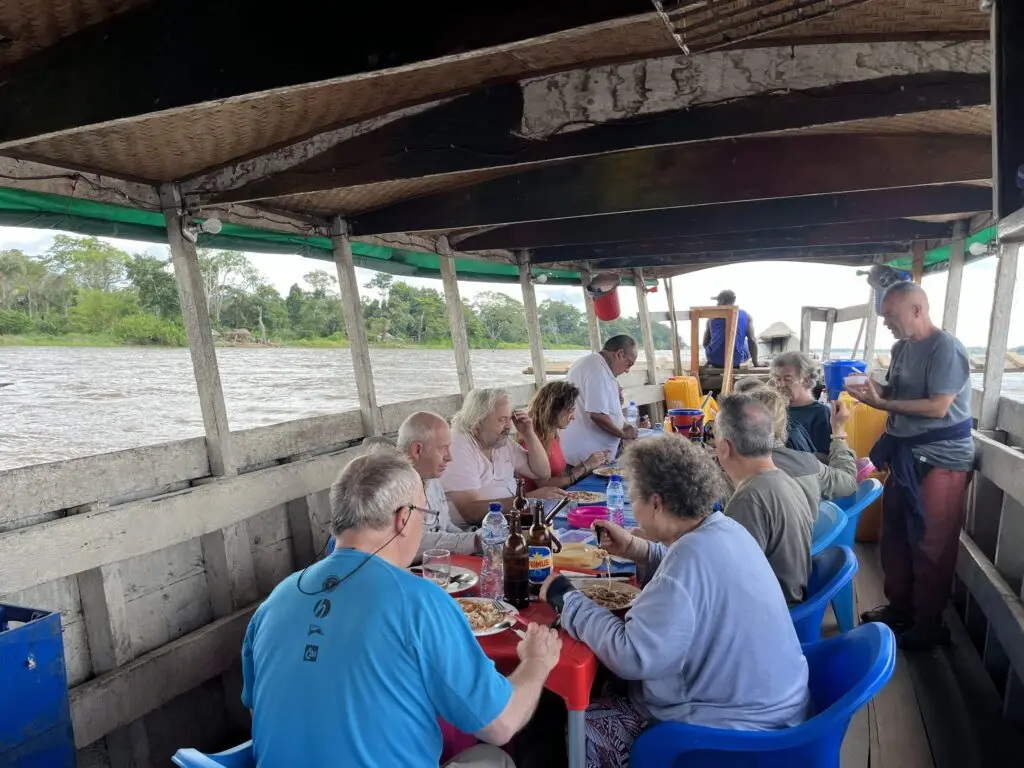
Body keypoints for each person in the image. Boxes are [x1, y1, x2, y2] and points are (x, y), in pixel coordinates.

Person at [241, 452, 562, 767]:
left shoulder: (274, 601)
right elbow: (501, 724)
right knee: (496, 758)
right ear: (403, 518)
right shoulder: (420, 601)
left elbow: (259, 714)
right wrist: (536, 662)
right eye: (424, 513)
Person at [539, 437, 810, 768]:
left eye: (634, 499)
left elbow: (631, 655)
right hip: (773, 706)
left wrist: (567, 599)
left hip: (732, 733)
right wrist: (635, 548)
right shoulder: (726, 529)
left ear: (656, 503)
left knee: (578, 720)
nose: (633, 509)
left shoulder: (686, 565)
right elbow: (689, 575)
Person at [847, 281, 974, 651]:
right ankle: (900, 608)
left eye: (891, 315)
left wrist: (883, 405)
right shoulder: (901, 347)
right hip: (905, 456)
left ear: (917, 309)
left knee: (931, 544)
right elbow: (895, 392)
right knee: (895, 537)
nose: (886, 322)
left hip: (941, 458)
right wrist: (870, 388)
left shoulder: (945, 347)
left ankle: (929, 624)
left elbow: (938, 406)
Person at [714, 393, 812, 605]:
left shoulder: (748, 500)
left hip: (770, 611)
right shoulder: (785, 480)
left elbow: (726, 582)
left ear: (725, 448)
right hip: (790, 597)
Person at [443, 387, 560, 527]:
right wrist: (528, 499)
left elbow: (542, 473)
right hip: (474, 531)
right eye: (502, 420)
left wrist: (529, 433)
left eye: (509, 419)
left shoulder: (501, 442)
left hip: (508, 521)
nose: (509, 426)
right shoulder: (458, 446)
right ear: (478, 421)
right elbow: (471, 512)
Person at [745, 385, 857, 519]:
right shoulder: (805, 463)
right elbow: (848, 483)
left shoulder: (734, 463)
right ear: (784, 422)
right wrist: (838, 432)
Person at [397, 412, 481, 559]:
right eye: (443, 448)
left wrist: (478, 541)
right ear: (417, 450)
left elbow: (446, 526)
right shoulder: (393, 487)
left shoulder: (432, 478)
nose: (449, 457)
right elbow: (411, 541)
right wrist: (474, 541)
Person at [561, 336, 639, 466]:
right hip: (586, 457)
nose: (627, 370)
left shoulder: (597, 365)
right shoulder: (597, 371)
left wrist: (624, 424)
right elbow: (596, 414)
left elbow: (607, 409)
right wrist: (622, 434)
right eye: (629, 364)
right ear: (619, 354)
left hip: (590, 454)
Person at [521, 381, 611, 491]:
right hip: (537, 500)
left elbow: (560, 476)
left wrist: (592, 465)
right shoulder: (531, 439)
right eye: (570, 411)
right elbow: (544, 485)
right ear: (554, 410)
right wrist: (584, 466)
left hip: (556, 496)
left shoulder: (552, 433)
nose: (573, 417)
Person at [770, 351, 831, 453]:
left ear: (806, 380)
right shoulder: (774, 408)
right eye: (778, 379)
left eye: (787, 379)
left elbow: (826, 456)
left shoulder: (820, 413)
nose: (780, 385)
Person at [702, 289, 759, 368]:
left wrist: (711, 355)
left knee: (717, 338)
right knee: (744, 341)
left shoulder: (711, 318)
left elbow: (705, 343)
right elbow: (752, 340)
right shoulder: (746, 315)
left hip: (713, 360)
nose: (717, 304)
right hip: (734, 361)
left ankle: (714, 358)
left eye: (718, 301)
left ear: (722, 301)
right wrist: (756, 363)